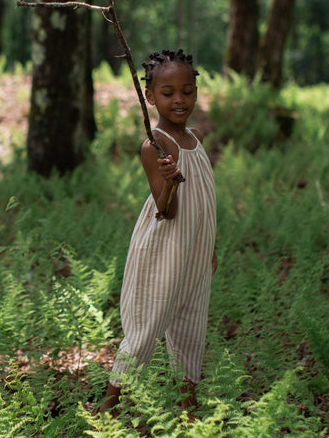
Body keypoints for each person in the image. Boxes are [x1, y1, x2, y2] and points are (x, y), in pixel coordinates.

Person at [98, 49, 217, 416]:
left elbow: (206, 204)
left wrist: (210, 248)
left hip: (193, 252)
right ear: (150, 97)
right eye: (168, 93)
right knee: (147, 327)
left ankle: (188, 411)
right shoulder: (155, 146)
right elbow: (166, 210)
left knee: (191, 327)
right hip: (163, 250)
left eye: (187, 90)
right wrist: (170, 182)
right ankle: (107, 410)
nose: (179, 100)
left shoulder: (195, 139)